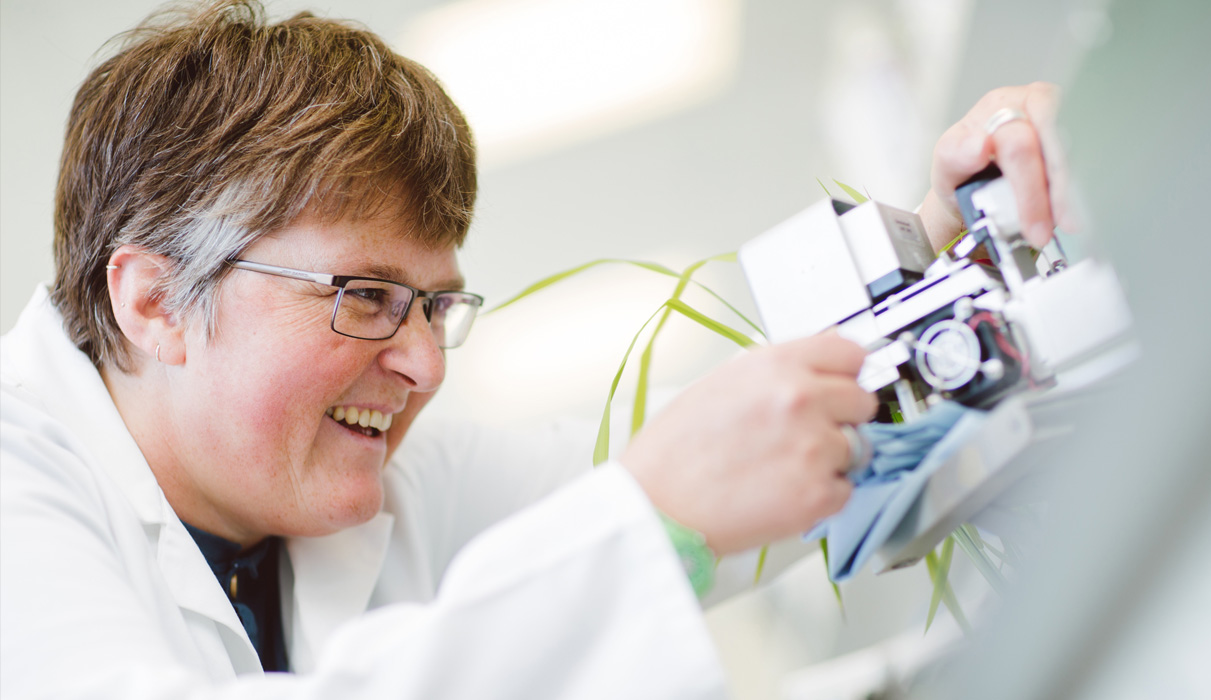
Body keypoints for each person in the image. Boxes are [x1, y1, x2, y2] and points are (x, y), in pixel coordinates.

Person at [0, 2, 1066, 698]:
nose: (425, 364)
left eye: (435, 308)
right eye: (367, 296)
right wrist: (649, 522)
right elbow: (653, 505)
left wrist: (946, 241)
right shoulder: (20, 486)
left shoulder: (389, 486)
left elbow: (742, 457)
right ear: (153, 303)